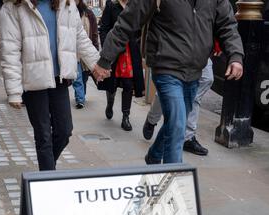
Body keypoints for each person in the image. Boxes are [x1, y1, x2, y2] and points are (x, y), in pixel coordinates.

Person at [95, 0, 244, 164]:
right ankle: (173, 178)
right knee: (178, 124)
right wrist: (105, 59)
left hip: (194, 71)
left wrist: (236, 55)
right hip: (166, 66)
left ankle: (154, 156)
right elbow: (127, 21)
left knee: (175, 123)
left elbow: (227, 25)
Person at [0, 0, 103, 171]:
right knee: (44, 136)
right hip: (33, 81)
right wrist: (14, 91)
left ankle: (45, 174)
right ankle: (48, 179)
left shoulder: (66, 4)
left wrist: (95, 64)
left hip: (59, 79)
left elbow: (80, 37)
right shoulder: (14, 7)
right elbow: (10, 51)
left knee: (64, 131)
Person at [143, 59, 214, 156]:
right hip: (177, 49)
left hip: (199, 50)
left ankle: (188, 137)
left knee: (206, 79)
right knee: (168, 87)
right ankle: (152, 118)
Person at [98, 0, 145, 131]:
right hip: (114, 50)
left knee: (128, 84)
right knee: (111, 83)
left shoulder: (135, 4)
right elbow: (104, 28)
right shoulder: (111, 5)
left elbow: (140, 27)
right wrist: (106, 47)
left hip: (130, 52)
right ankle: (110, 103)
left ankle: (126, 116)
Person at [72, 0, 99, 109]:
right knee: (77, 77)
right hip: (73, 52)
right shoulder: (68, 11)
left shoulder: (89, 14)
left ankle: (81, 95)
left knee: (83, 77)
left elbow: (94, 33)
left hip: (86, 49)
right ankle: (80, 99)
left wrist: (95, 49)